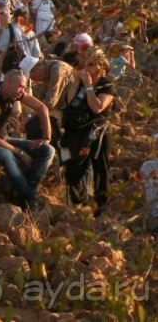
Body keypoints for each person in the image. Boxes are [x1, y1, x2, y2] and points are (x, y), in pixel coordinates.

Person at [0, 69, 56, 209]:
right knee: (7, 154)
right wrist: (20, 153)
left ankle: (29, 189)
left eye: (23, 87)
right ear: (8, 83)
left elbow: (42, 108)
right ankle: (29, 199)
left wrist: (46, 137)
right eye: (20, 86)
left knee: (48, 150)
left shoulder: (14, 95)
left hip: (5, 139)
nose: (22, 90)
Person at [61, 48, 114, 215]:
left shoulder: (106, 85)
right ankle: (80, 201)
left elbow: (97, 107)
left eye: (91, 65)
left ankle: (101, 207)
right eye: (85, 65)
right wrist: (77, 83)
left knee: (100, 169)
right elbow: (69, 102)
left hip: (96, 131)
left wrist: (90, 87)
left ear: (101, 68)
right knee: (71, 165)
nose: (87, 68)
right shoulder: (81, 82)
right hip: (75, 130)